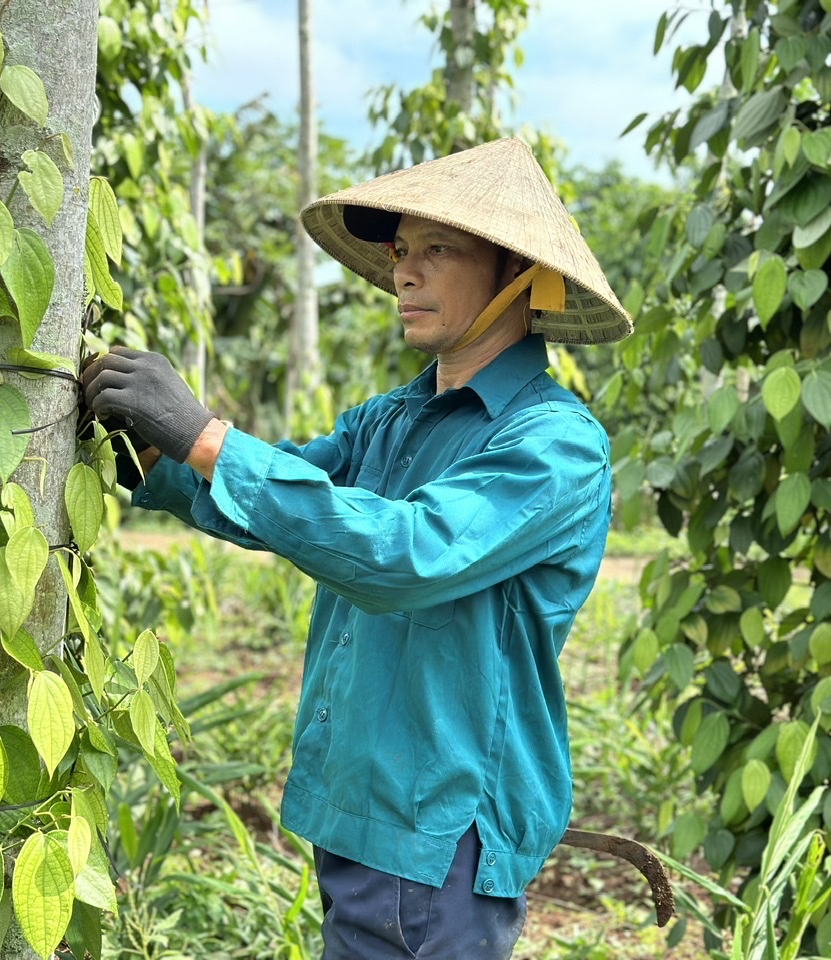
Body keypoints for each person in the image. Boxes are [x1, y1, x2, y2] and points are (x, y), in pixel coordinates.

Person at [81, 138, 632, 959]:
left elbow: (403, 554)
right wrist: (151, 450)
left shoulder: (553, 446)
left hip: (441, 831)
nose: (406, 273)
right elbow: (274, 504)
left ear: (518, 272)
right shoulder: (390, 420)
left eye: (439, 250)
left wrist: (207, 437)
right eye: (402, 251)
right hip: (360, 807)